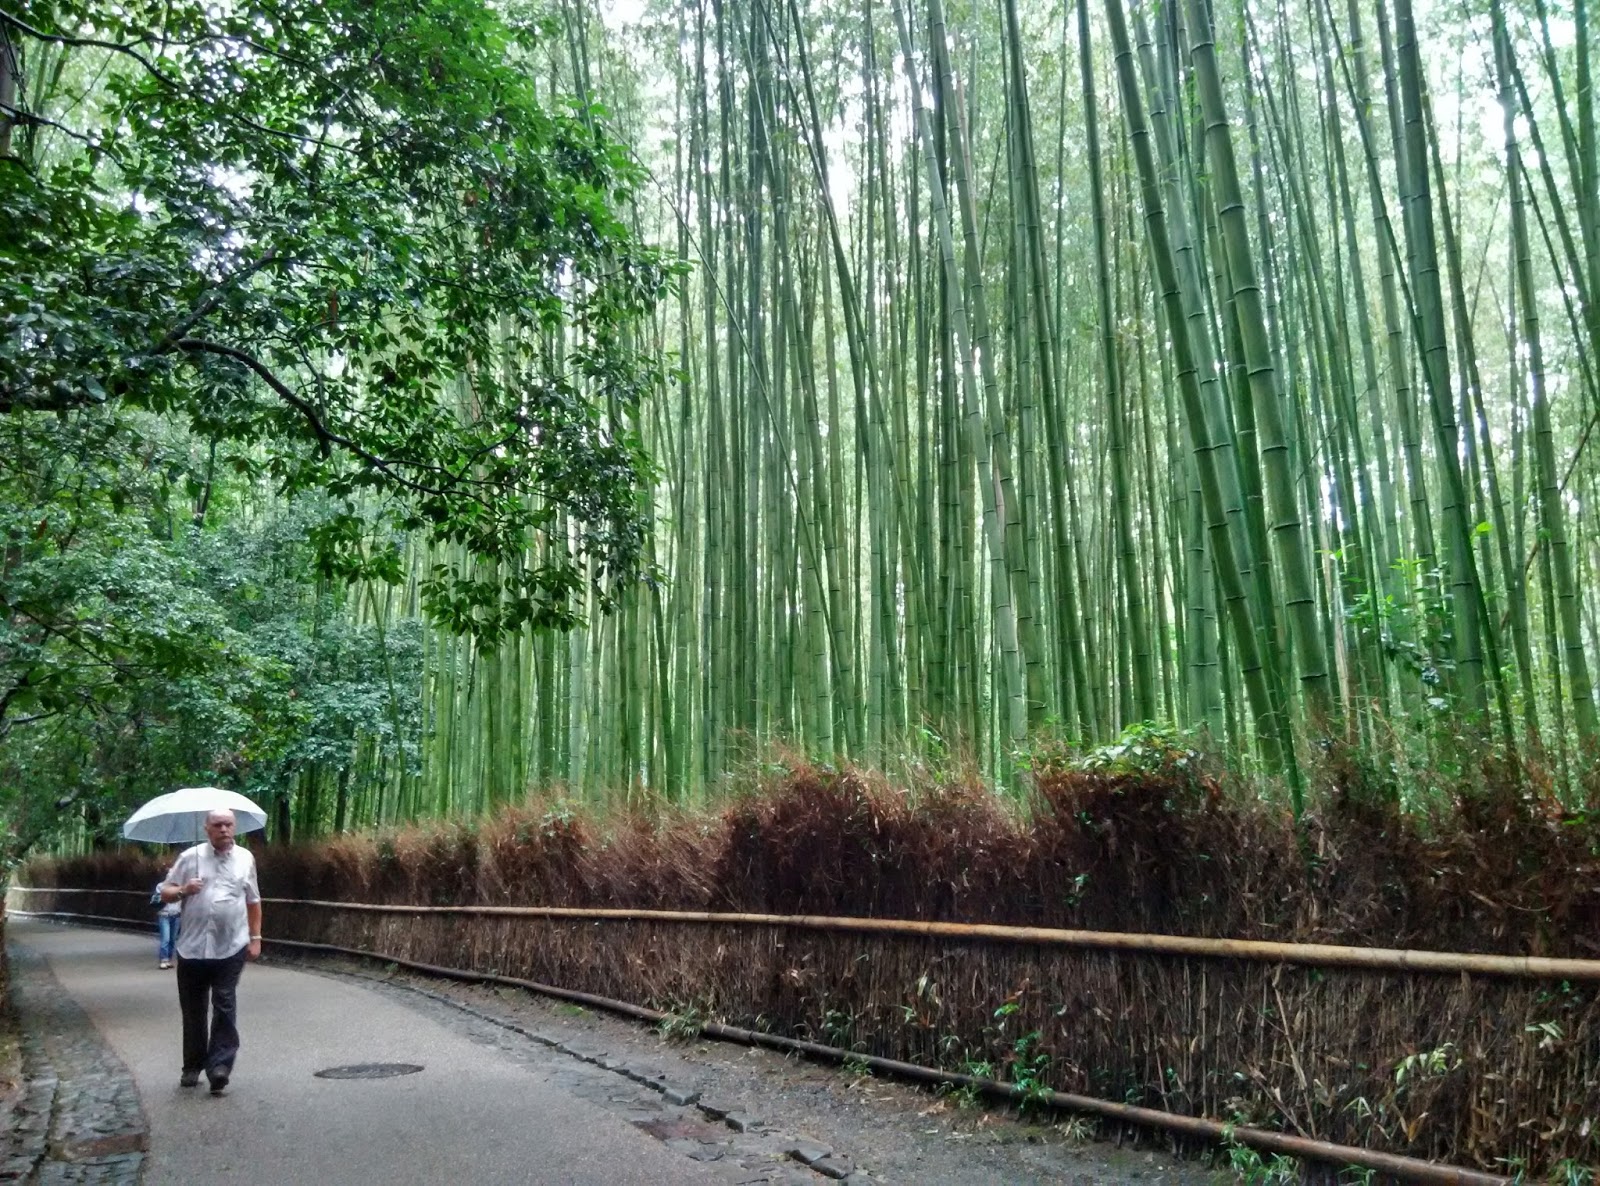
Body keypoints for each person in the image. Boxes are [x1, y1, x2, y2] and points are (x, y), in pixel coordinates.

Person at [160, 808, 263, 1094]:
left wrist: (255, 938)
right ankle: (192, 1066)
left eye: (228, 824)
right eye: (217, 825)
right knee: (193, 1010)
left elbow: (253, 900)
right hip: (192, 947)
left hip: (231, 944)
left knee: (224, 1001)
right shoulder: (189, 858)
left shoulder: (245, 858)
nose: (224, 830)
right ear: (206, 828)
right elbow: (164, 892)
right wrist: (184, 889)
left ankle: (219, 1066)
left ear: (235, 827)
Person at [152, 876, 181, 969]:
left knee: (172, 939)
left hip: (176, 914)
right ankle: (163, 959)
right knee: (166, 938)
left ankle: (168, 958)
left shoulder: (181, 887)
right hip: (164, 914)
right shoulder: (161, 886)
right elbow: (157, 899)